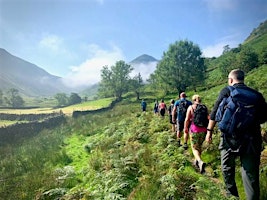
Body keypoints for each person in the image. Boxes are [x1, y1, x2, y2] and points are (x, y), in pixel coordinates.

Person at [206, 69, 267, 199]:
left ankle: (232, 195)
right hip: (252, 138)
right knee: (250, 173)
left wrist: (209, 132)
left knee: (227, 167)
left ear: (231, 80)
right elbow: (263, 118)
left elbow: (215, 112)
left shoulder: (226, 91)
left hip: (229, 138)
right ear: (243, 79)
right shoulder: (256, 95)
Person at [184, 95, 208, 173]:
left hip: (194, 130)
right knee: (199, 146)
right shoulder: (204, 107)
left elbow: (187, 119)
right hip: (204, 130)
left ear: (193, 100)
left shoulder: (191, 107)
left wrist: (186, 128)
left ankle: (200, 161)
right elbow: (209, 118)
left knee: (194, 148)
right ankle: (197, 162)